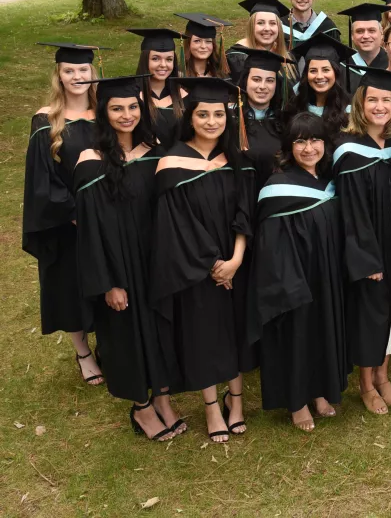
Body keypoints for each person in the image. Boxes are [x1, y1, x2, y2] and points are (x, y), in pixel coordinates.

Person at [74, 75, 182, 441]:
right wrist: (109, 282)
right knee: (128, 334)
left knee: (160, 329)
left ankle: (164, 398)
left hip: (154, 259)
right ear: (103, 113)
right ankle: (141, 407)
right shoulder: (92, 162)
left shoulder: (154, 152)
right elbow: (89, 232)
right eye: (117, 108)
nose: (127, 115)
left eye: (133, 107)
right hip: (119, 264)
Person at [150, 77, 254, 443]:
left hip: (235, 264)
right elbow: (177, 224)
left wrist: (237, 259)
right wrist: (214, 265)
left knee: (236, 331)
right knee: (204, 335)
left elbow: (245, 212)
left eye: (218, 114)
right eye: (203, 114)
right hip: (196, 268)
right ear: (190, 118)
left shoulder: (236, 160)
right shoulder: (171, 164)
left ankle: (236, 401)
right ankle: (212, 407)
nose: (212, 121)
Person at [248, 113, 348, 432]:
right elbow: (270, 245)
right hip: (294, 278)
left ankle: (319, 392)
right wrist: (290, 283)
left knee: (323, 331)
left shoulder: (328, 181)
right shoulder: (278, 188)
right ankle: (297, 401)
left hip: (326, 275)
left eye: (315, 140)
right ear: (289, 148)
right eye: (300, 142)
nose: (309, 148)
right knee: (298, 336)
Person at [24, 42, 102, 386]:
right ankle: (83, 352)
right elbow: (42, 179)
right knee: (70, 285)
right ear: (59, 74)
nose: (77, 76)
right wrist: (75, 214)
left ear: (92, 73)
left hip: (106, 215)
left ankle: (109, 344)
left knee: (107, 282)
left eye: (83, 70)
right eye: (69, 70)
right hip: (69, 221)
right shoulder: (46, 121)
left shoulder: (107, 113)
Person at [334, 67, 391, 415]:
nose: (380, 106)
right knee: (369, 312)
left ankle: (383, 375)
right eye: (372, 100)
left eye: (386, 100)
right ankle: (366, 384)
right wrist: (366, 258)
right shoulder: (348, 150)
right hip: (369, 247)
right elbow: (351, 211)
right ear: (360, 106)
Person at [231, 47, 289, 190]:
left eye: (270, 80)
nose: (262, 86)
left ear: (277, 84)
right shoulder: (229, 121)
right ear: (245, 81)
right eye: (256, 79)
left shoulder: (285, 122)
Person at [283, 32, 356, 138]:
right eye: (313, 71)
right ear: (306, 74)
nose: (319, 76)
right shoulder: (294, 107)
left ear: (335, 73)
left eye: (326, 70)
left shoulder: (349, 110)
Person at [228, 0, 295, 98]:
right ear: (251, 26)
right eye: (260, 23)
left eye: (273, 23)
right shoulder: (235, 57)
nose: (267, 28)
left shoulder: (287, 58)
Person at [130, 28, 186, 147]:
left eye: (169, 59)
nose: (163, 65)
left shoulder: (184, 97)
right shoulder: (131, 96)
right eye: (155, 58)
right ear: (145, 60)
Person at [339, 2, 391, 92]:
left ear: (381, 33)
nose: (366, 36)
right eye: (360, 31)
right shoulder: (342, 69)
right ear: (352, 35)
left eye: (371, 30)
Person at [176, 13, 231, 78]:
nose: (203, 46)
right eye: (197, 41)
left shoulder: (221, 75)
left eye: (208, 41)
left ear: (213, 45)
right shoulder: (178, 76)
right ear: (188, 43)